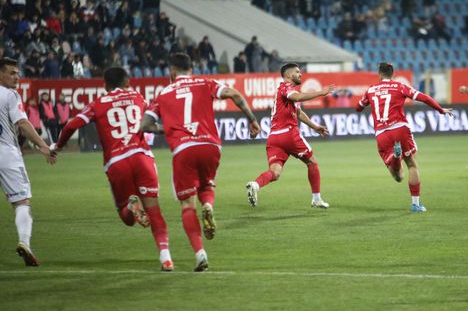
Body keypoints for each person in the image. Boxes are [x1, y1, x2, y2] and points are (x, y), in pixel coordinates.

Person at [141, 53, 260, 272]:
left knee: (187, 204)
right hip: (211, 146)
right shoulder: (205, 83)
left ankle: (200, 255)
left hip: (184, 149)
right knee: (206, 184)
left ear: (172, 71)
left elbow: (145, 125)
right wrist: (252, 120)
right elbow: (234, 93)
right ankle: (208, 205)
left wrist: (168, 129)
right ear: (191, 69)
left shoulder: (163, 93)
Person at [52, 67, 174, 271]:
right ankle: (166, 258)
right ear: (127, 82)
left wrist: (59, 146)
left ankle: (130, 206)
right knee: (154, 210)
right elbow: (153, 122)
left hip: (117, 162)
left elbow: (71, 125)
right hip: (142, 157)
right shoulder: (137, 97)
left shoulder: (97, 104)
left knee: (126, 218)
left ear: (105, 85)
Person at [355, 62, 453, 212]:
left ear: (379, 74)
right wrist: (440, 110)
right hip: (399, 129)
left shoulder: (371, 89)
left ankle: (395, 156)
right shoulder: (400, 86)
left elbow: (358, 108)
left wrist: (367, 102)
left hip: (381, 133)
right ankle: (415, 204)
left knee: (397, 177)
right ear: (393, 74)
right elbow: (424, 97)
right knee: (412, 165)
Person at [245, 63, 335, 209]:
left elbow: (298, 112)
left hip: (274, 137)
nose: (301, 74)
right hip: (288, 133)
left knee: (275, 172)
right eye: (297, 72)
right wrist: (320, 92)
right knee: (312, 162)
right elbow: (298, 97)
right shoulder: (286, 87)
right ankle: (316, 199)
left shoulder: (286, 92)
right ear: (288, 75)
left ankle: (255, 184)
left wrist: (315, 127)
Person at [0, 58, 56, 266]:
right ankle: (24, 242)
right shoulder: (10, 95)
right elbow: (22, 123)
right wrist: (43, 146)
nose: (17, 77)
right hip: (7, 154)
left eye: (18, 73)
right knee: (22, 202)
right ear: (1, 74)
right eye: (12, 73)